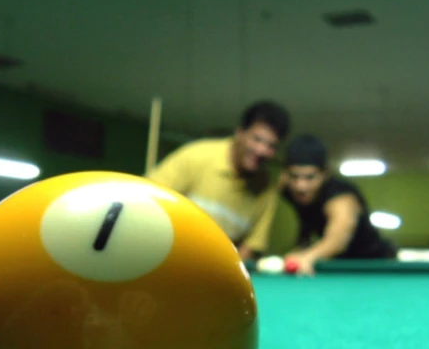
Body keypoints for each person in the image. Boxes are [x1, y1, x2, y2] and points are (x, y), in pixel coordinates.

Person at [147, 100, 290, 261]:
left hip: (217, 272)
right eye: (257, 139)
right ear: (240, 133)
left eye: (271, 146)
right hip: (167, 258)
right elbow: (147, 205)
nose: (262, 150)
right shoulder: (196, 156)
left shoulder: (266, 189)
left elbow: (250, 246)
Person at [279, 134, 397, 275]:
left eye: (309, 177)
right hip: (337, 262)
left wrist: (307, 257)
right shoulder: (287, 188)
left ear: (325, 174)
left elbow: (337, 241)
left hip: (374, 263)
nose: (300, 186)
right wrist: (301, 248)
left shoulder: (340, 196)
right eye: (294, 176)